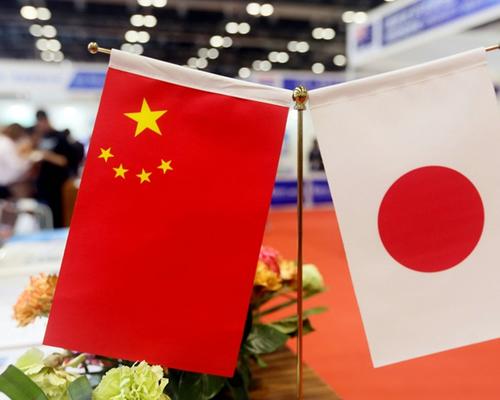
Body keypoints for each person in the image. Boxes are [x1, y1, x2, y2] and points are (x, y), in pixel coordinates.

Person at [31, 110, 81, 228]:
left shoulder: (61, 137)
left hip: (58, 182)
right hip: (43, 184)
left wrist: (47, 156)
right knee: (45, 215)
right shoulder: (40, 137)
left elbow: (65, 160)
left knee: (59, 214)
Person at [0, 124, 32, 199]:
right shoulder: (6, 144)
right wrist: (29, 160)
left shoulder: (3, 141)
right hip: (6, 183)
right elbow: (17, 166)